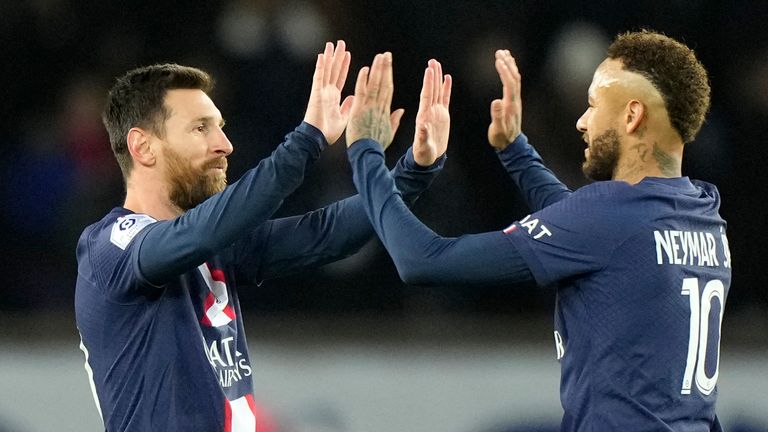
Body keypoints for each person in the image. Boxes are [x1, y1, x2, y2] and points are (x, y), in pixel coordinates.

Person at [345, 31, 731, 431]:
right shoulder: (702, 212)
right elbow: (585, 228)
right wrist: (515, 149)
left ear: (632, 116)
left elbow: (421, 260)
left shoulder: (609, 217)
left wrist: (366, 152)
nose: (582, 121)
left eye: (593, 105)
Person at [74, 41, 447, 432]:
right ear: (143, 146)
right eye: (201, 128)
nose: (224, 145)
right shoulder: (109, 247)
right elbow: (204, 231)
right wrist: (308, 138)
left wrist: (413, 171)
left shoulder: (214, 245)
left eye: (220, 127)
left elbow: (326, 234)